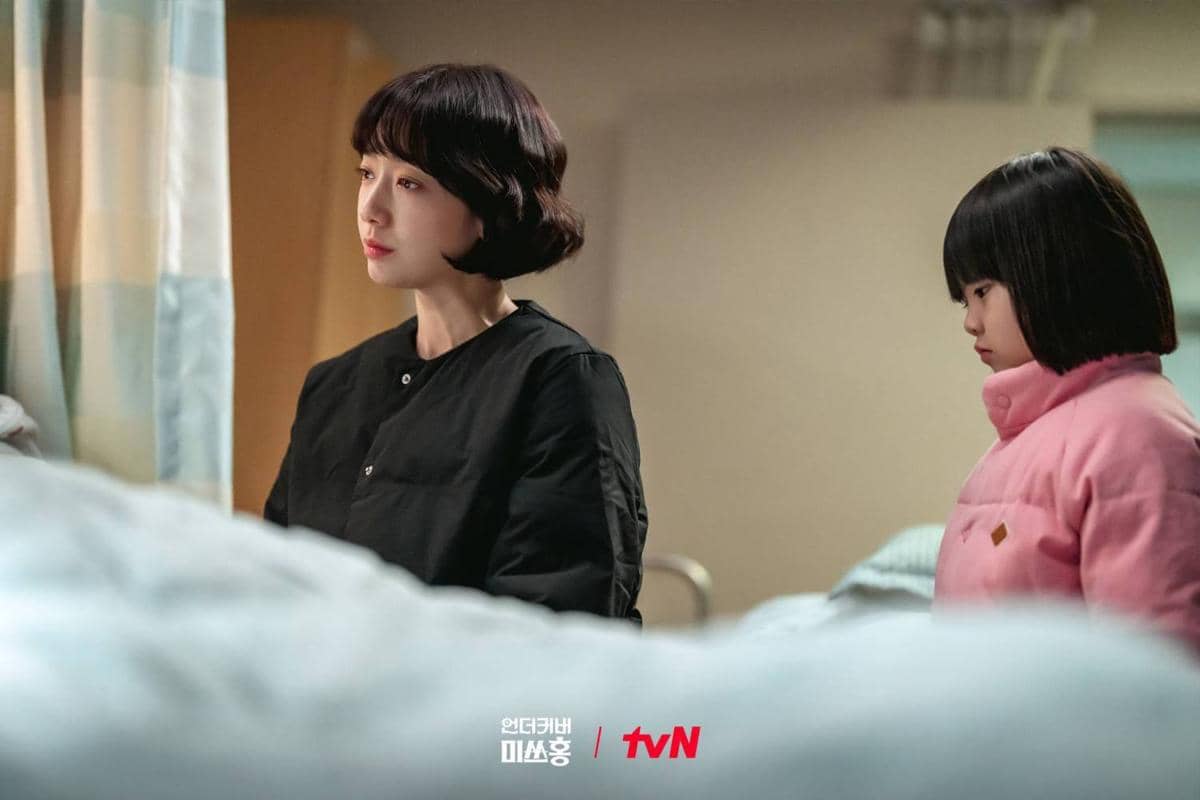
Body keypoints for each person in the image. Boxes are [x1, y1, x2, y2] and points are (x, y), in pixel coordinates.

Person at [265, 64, 647, 622]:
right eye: (367, 173)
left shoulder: (559, 379)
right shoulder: (333, 385)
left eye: (409, 183)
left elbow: (560, 618)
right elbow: (273, 584)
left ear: (490, 203)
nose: (371, 209)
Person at [934, 146, 1200, 655]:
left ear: (1057, 271)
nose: (970, 321)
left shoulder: (1136, 434)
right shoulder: (1028, 435)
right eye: (965, 299)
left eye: (982, 291)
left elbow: (1155, 664)